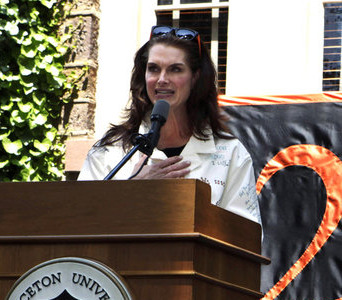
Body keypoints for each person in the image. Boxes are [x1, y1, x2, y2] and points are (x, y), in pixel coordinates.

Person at [78, 26, 261, 224]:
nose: (162, 79)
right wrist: (132, 191)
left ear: (196, 77)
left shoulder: (231, 153)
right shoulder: (108, 150)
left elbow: (248, 238)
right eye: (154, 69)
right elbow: (78, 224)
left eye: (175, 69)